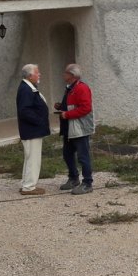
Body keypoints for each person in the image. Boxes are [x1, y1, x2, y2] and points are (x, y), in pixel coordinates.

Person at [55, 63, 95, 195]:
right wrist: (61, 106)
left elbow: (85, 108)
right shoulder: (70, 88)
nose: (63, 75)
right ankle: (73, 178)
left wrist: (67, 114)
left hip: (79, 128)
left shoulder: (81, 88)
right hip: (69, 128)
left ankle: (87, 183)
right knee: (67, 154)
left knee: (83, 156)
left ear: (71, 75)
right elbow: (72, 105)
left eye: (65, 73)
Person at [16, 64, 50, 196]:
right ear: (30, 76)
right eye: (37, 73)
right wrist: (39, 121)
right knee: (33, 159)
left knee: (30, 158)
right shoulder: (26, 89)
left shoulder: (29, 87)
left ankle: (26, 183)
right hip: (31, 130)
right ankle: (29, 187)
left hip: (32, 130)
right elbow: (24, 111)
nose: (39, 74)